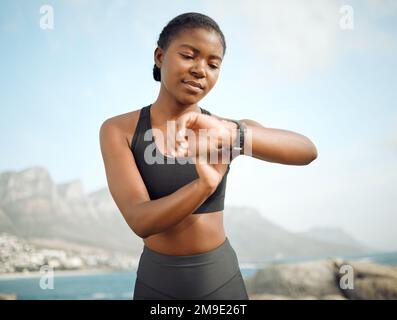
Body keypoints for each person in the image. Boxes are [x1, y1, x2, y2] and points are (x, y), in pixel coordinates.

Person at [99, 12, 318, 300]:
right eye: (189, 56)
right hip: (156, 284)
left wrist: (235, 136)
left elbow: (306, 151)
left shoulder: (224, 130)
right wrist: (203, 186)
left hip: (219, 280)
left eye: (213, 64)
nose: (201, 70)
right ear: (160, 56)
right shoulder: (120, 130)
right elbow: (141, 220)